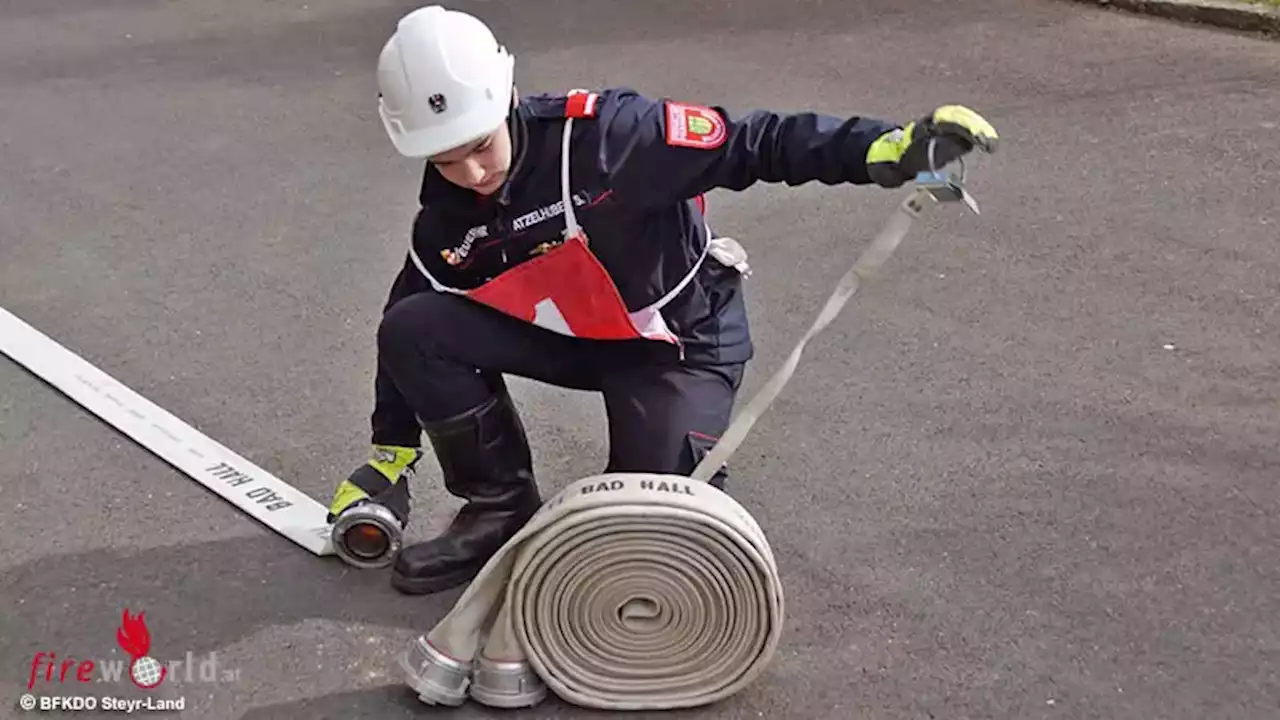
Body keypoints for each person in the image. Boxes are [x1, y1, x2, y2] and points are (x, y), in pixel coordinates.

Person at [326, 4, 999, 596]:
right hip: (581, 342)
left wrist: (888, 147)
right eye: (446, 159)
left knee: (634, 548)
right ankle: (499, 506)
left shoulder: (614, 139)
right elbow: (405, 319)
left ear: (506, 98)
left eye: (479, 146)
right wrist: (389, 457)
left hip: (678, 342)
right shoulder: (445, 217)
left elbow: (756, 142)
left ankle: (672, 472)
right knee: (416, 325)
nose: (472, 173)